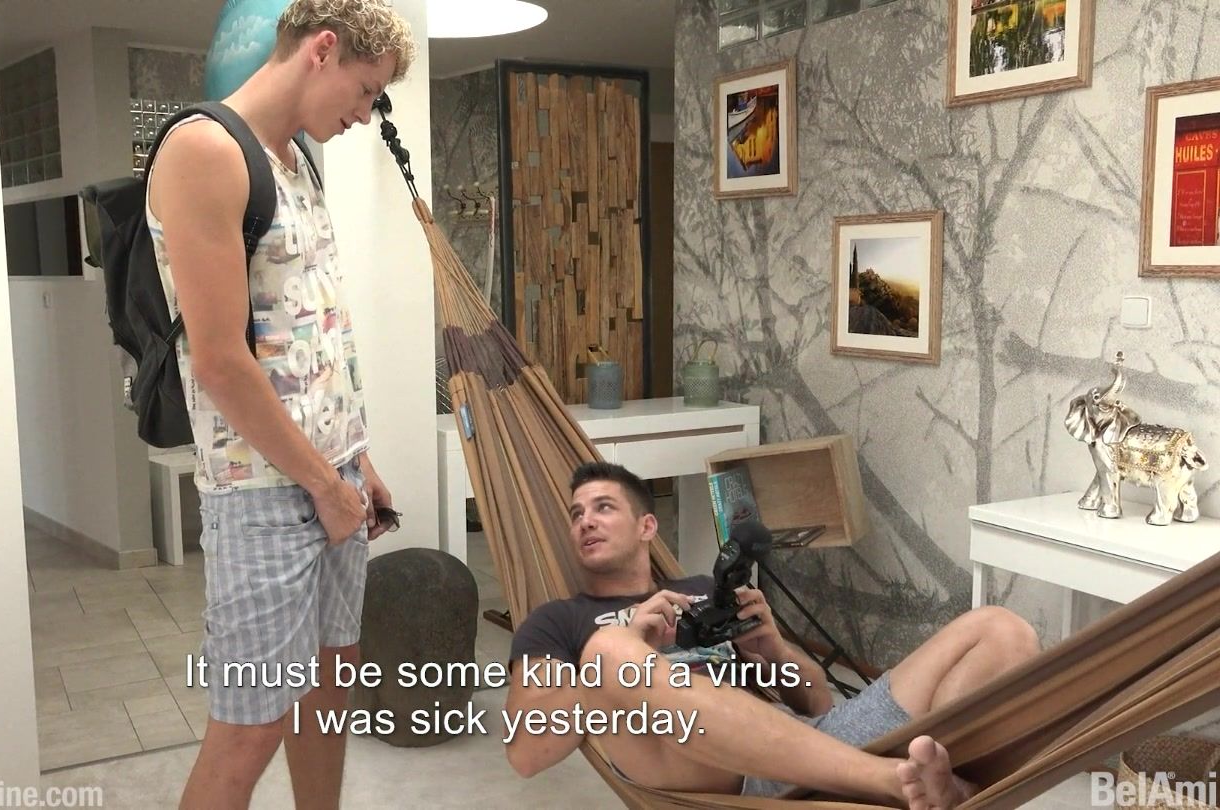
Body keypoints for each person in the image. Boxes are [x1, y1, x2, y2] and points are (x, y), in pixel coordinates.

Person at [144, 2, 416, 808]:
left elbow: (309, 334)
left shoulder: (296, 159)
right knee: (251, 724)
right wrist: (325, 486)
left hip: (332, 477)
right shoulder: (206, 150)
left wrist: (355, 461)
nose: (364, 115)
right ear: (322, 51)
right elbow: (220, 362)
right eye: (365, 91)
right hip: (262, 493)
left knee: (329, 689)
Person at [505, 461, 1041, 810]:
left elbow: (817, 704)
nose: (585, 522)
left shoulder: (705, 591)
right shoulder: (558, 622)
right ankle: (891, 784)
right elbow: (526, 752)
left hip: (809, 748)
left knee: (1001, 629)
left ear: (647, 526)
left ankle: (936, 787)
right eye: (576, 514)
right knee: (607, 650)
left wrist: (775, 651)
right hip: (719, 781)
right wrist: (629, 647)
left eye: (603, 508)